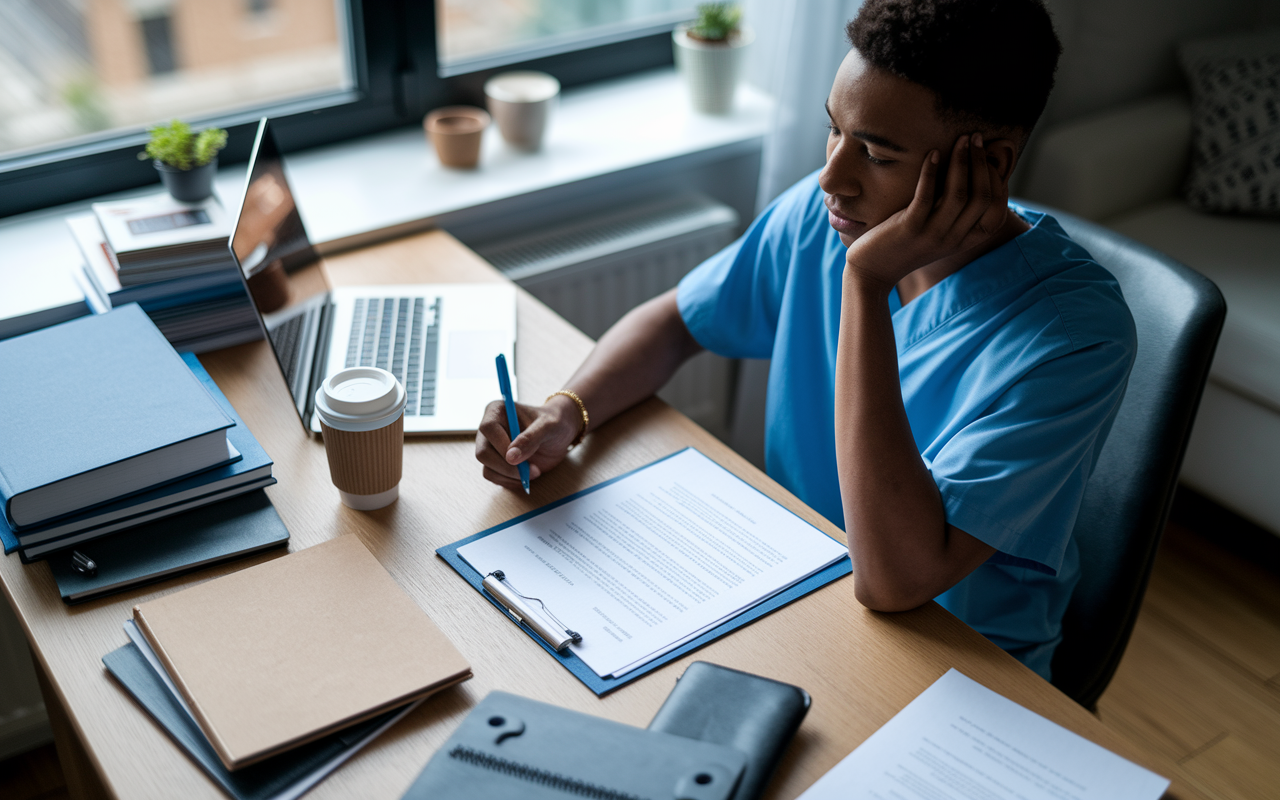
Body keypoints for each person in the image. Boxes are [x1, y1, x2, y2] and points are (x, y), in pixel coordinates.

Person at [473, 0, 1136, 681]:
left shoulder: (1072, 335)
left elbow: (896, 582)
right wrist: (567, 411)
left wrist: (865, 285)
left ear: (989, 162)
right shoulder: (825, 217)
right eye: (834, 131)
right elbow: (675, 321)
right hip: (801, 591)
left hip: (961, 665)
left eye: (875, 153)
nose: (832, 178)